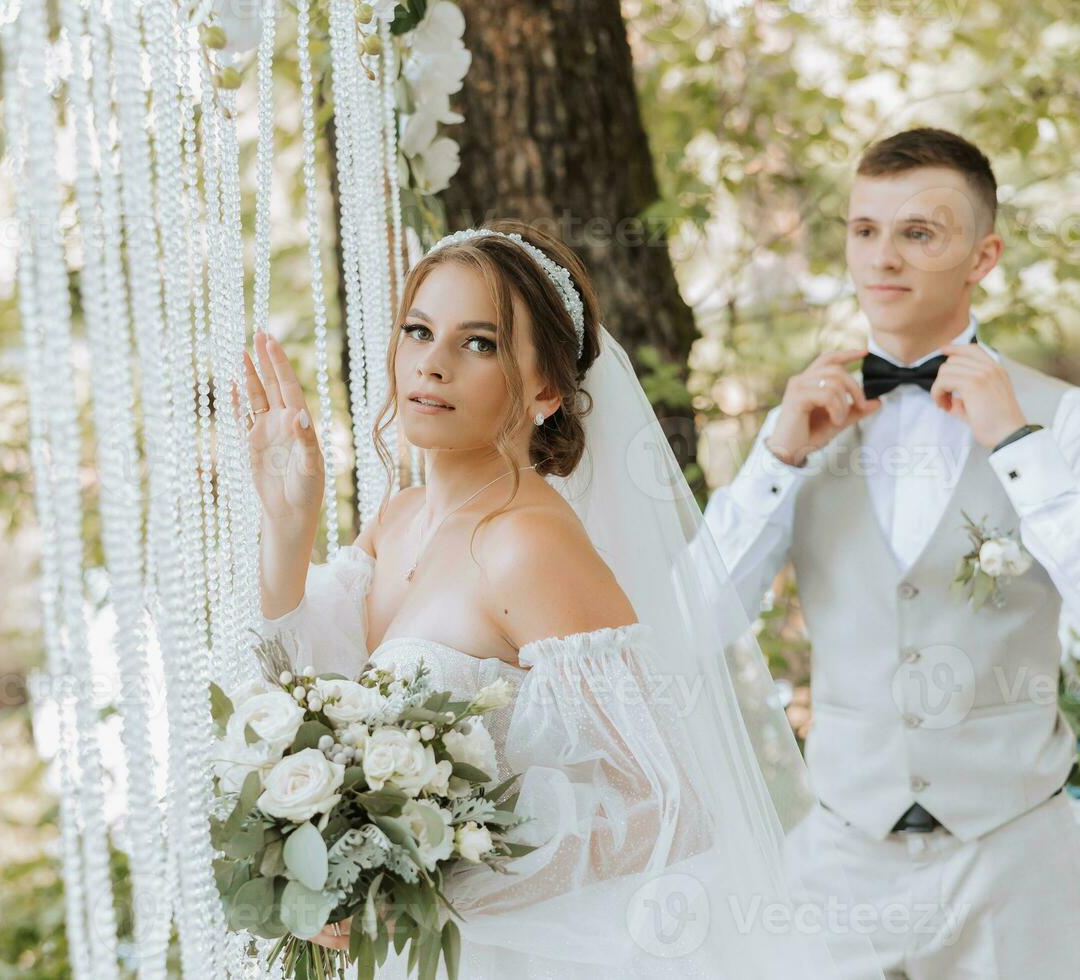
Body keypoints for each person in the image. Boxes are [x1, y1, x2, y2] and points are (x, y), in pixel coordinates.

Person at [236, 219, 877, 977]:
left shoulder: (528, 542)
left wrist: (436, 881)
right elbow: (301, 688)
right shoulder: (397, 518)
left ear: (545, 388)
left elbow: (668, 804)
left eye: (479, 343)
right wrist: (290, 523)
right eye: (418, 331)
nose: (432, 364)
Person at [703, 128, 1080, 979]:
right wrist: (775, 464)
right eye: (863, 230)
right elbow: (693, 625)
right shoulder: (802, 420)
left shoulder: (1068, 423)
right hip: (837, 863)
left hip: (1013, 865)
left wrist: (1016, 446)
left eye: (918, 232)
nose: (882, 257)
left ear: (982, 254)